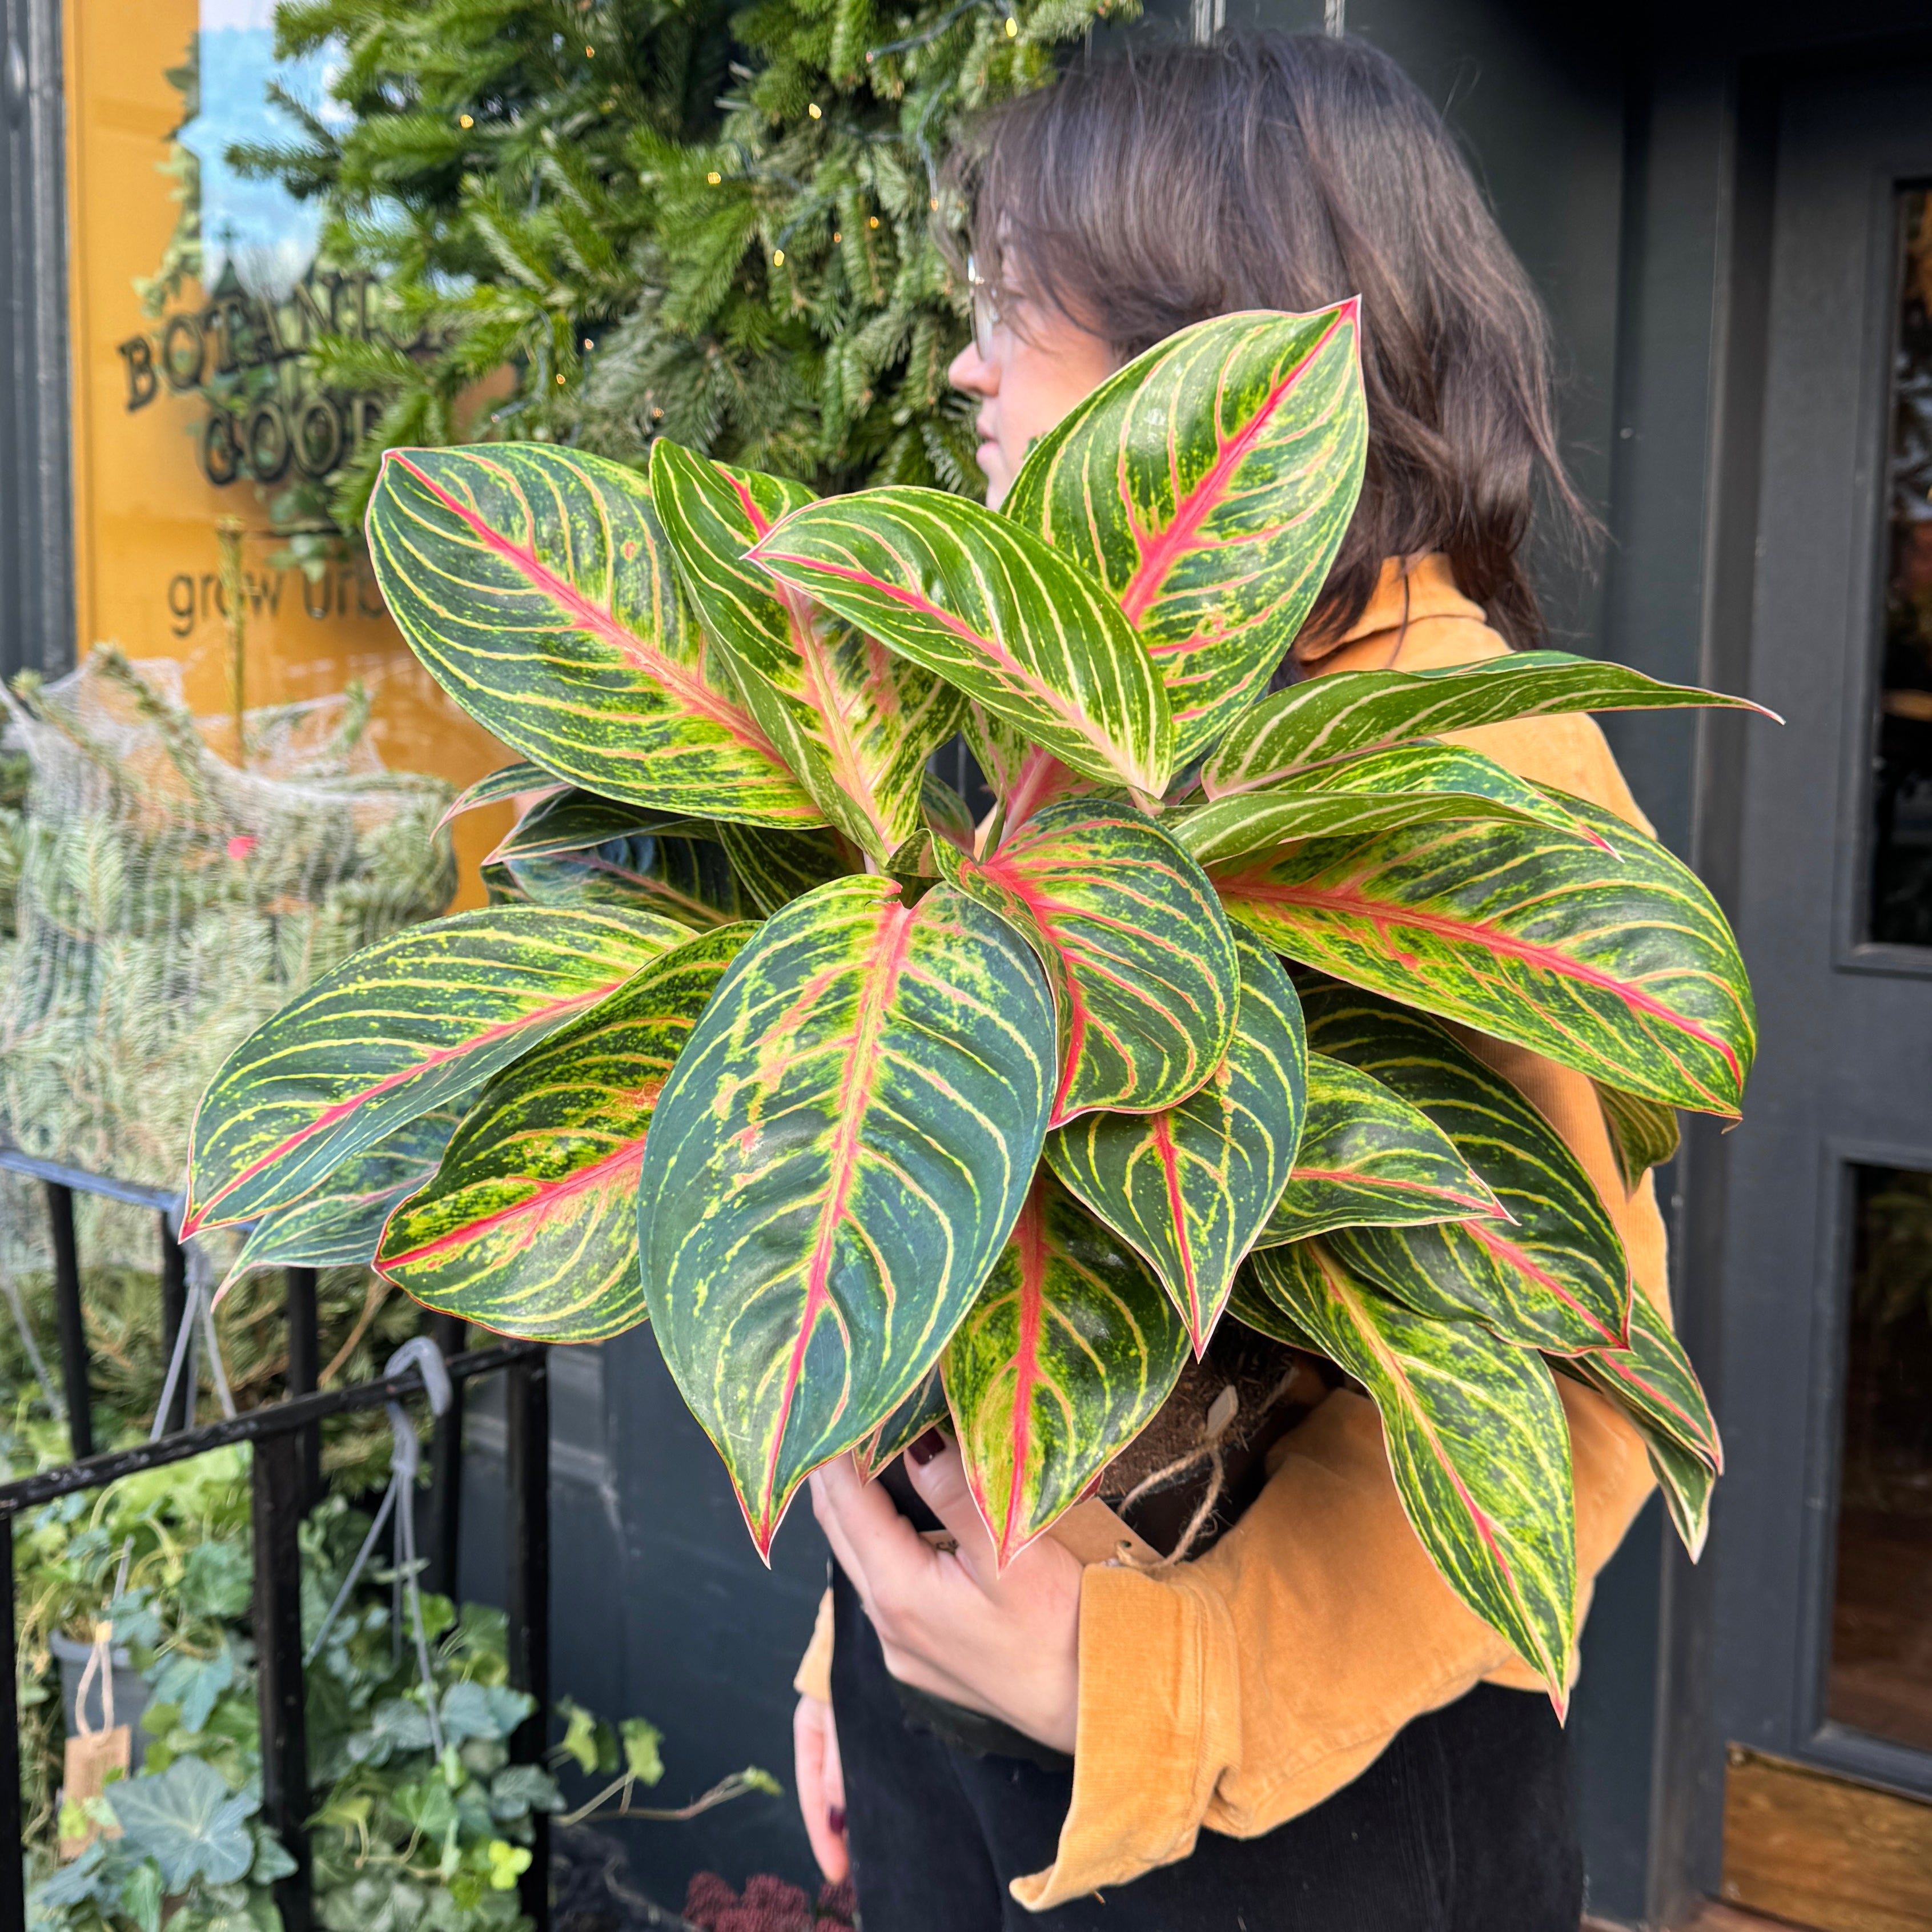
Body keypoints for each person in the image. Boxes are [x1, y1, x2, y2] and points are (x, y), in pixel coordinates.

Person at [792, 31, 1666, 1929]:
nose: (966, 362)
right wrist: (860, 1657)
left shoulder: (1457, 766)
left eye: (1019, 304)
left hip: (1281, 1810)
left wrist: (1135, 1691)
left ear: (1238, 346)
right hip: (986, 1725)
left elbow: (1571, 1408)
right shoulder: (1069, 727)